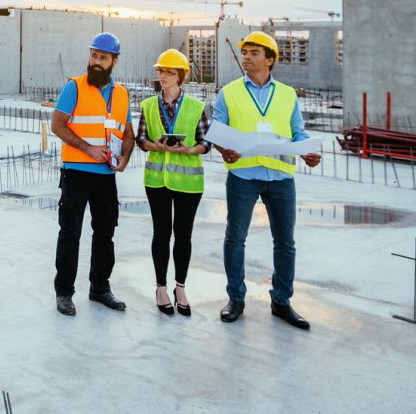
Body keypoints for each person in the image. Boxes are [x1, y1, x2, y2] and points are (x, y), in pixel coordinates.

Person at [213, 31, 322, 329]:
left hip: (280, 178)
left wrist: (308, 151)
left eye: (253, 53)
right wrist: (225, 150)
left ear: (270, 59)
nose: (246, 57)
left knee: (285, 242)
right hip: (243, 175)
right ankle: (235, 298)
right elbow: (216, 129)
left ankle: (282, 301)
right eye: (244, 52)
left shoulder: (287, 94)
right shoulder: (230, 92)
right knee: (235, 238)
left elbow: (297, 131)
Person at [48, 32, 134, 316]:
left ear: (114, 61)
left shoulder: (122, 95)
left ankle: (99, 288)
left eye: (103, 57)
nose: (96, 62)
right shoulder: (74, 87)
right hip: (76, 173)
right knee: (70, 233)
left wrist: (124, 157)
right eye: (94, 55)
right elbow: (57, 125)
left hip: (106, 175)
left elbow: (128, 133)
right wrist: (87, 148)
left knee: (105, 233)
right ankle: (64, 293)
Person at [135, 49, 210, 316]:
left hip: (188, 183)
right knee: (161, 233)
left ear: (180, 76)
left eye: (169, 72)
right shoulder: (148, 106)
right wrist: (152, 145)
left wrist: (189, 150)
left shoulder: (196, 107)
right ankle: (161, 288)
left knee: (183, 235)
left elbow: (205, 142)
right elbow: (140, 139)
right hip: (157, 180)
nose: (163, 76)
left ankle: (180, 287)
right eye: (160, 71)